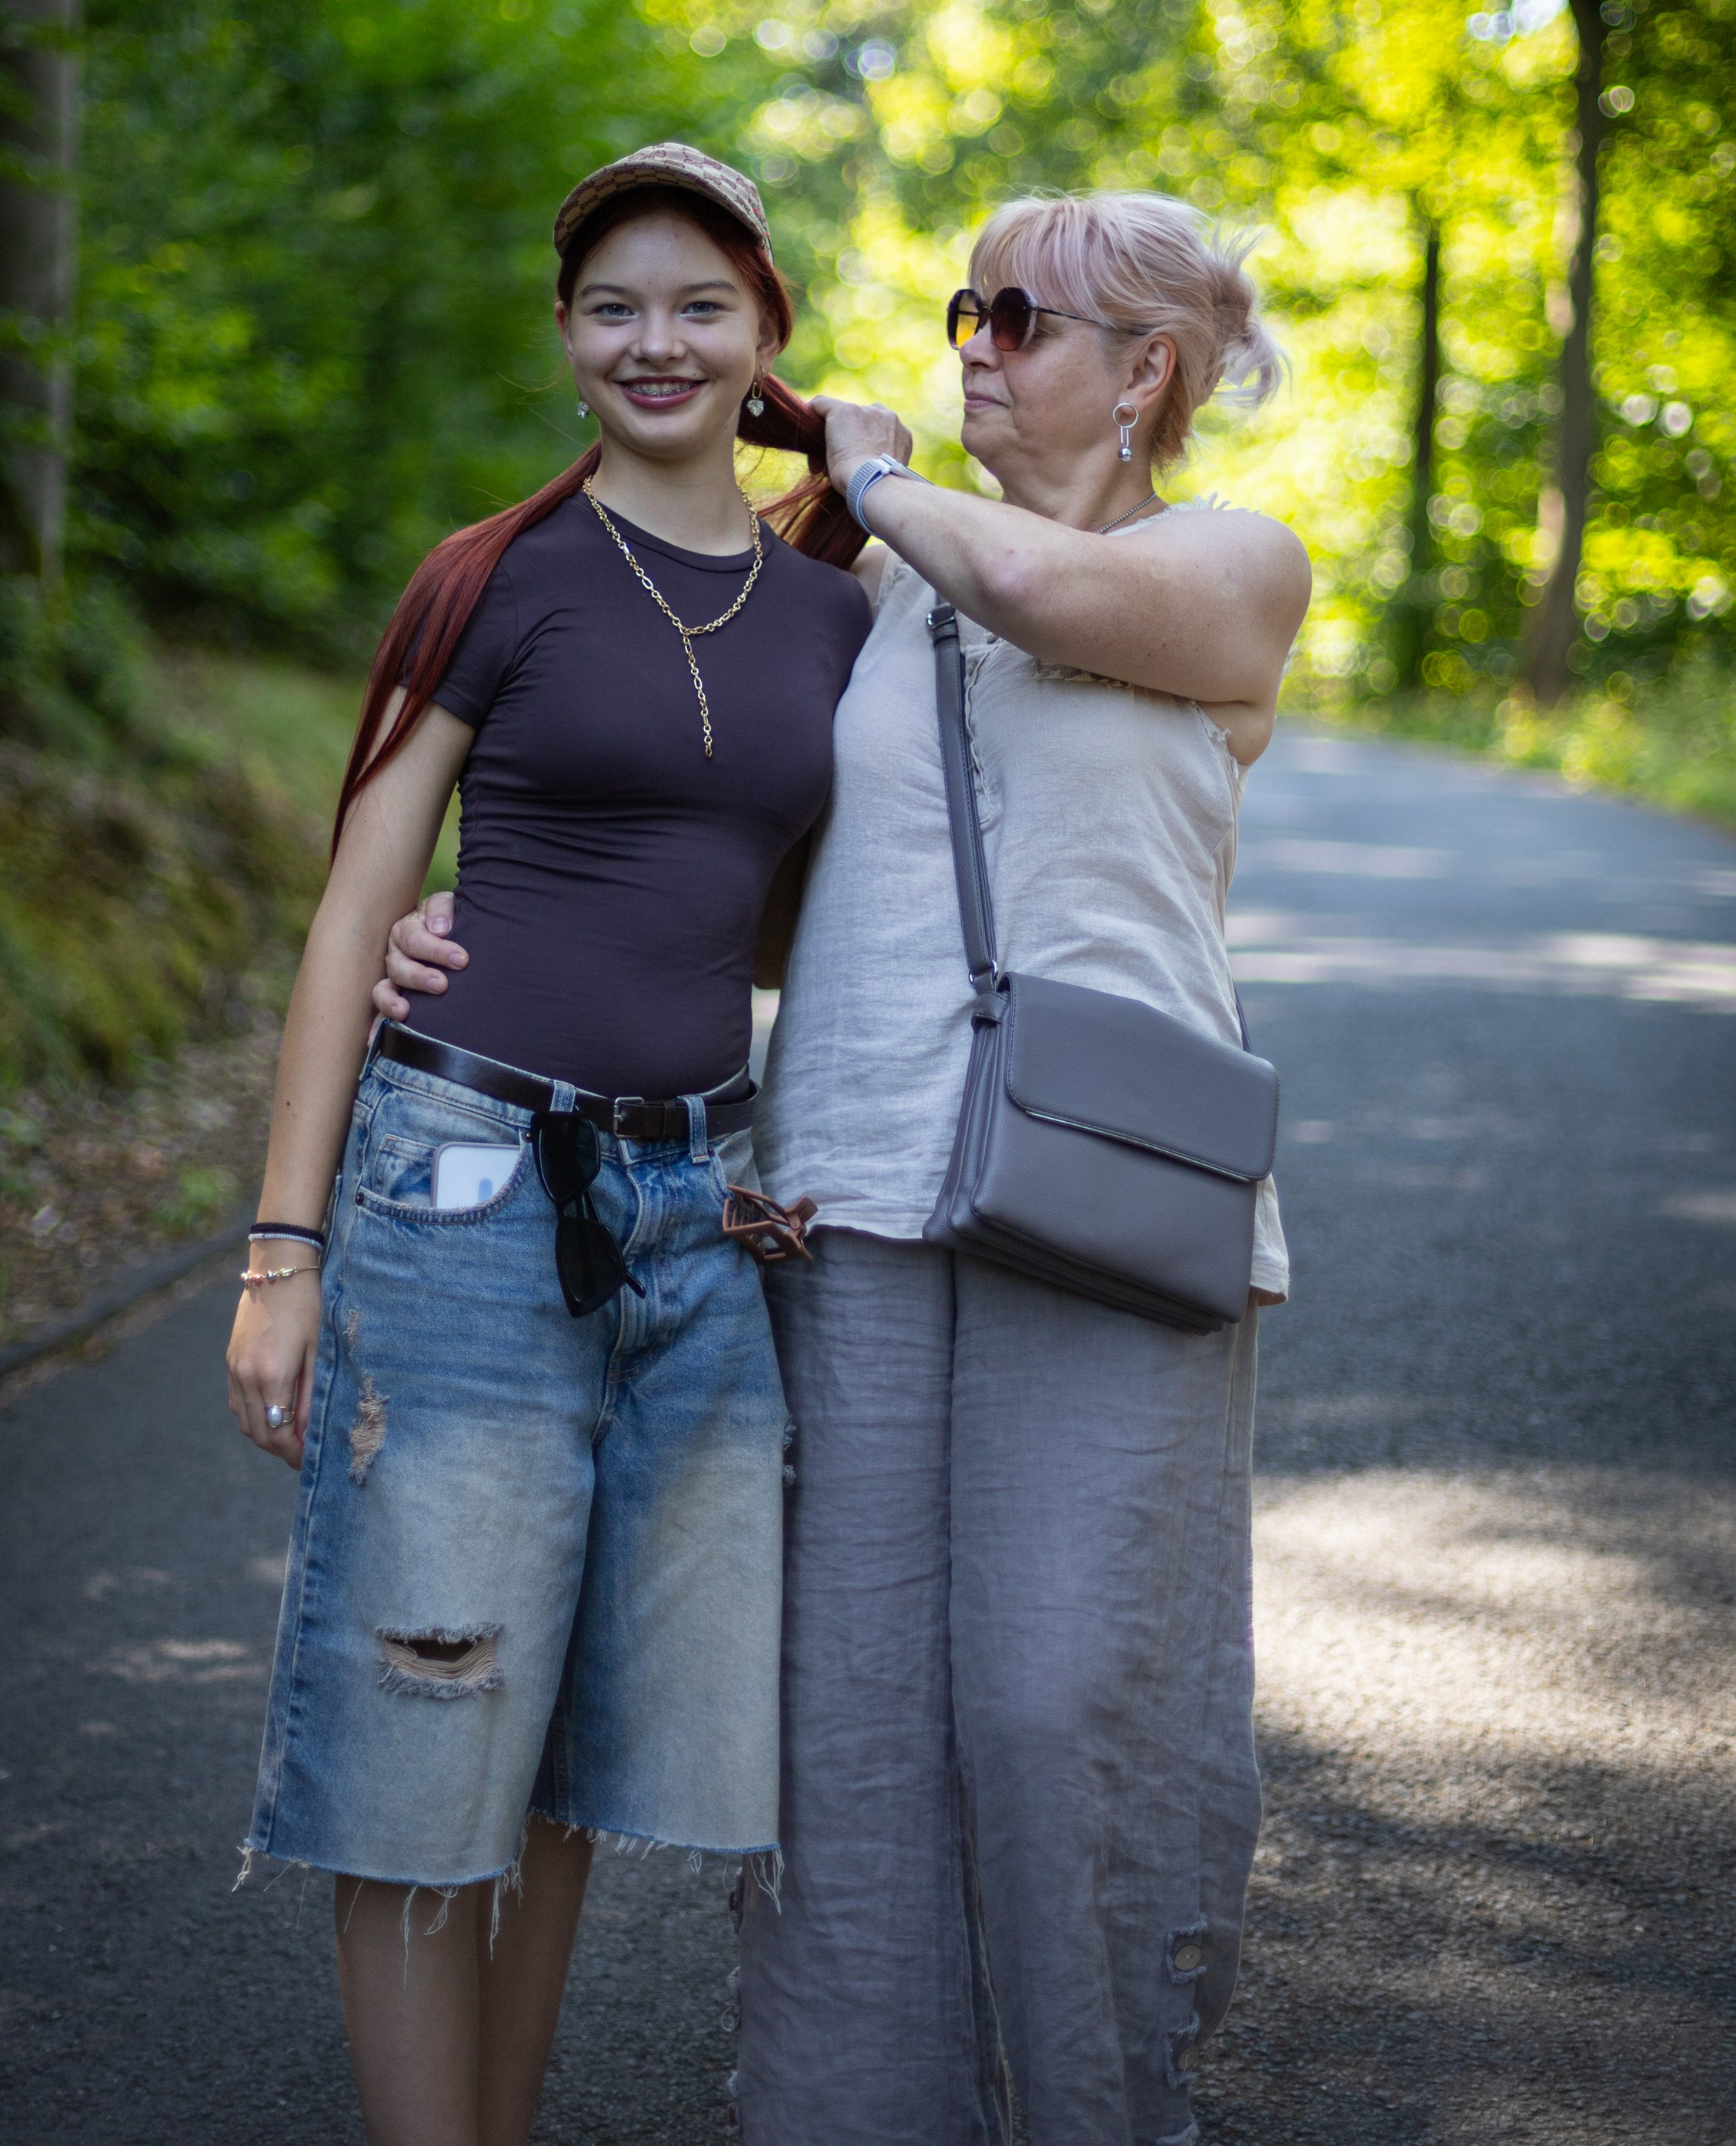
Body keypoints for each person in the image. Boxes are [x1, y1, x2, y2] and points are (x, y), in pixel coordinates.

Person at [383, 189, 1311, 2146]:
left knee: (1052, 1705)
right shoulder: (869, 590)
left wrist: (871, 476)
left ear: (1143, 369)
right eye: (965, 309)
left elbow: (1041, 592)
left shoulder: (1225, 564)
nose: (972, 343)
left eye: (1019, 318)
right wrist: (481, 933)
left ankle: (1092, 2110)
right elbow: (742, 875)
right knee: (848, 1726)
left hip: (1110, 1186)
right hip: (845, 1191)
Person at [227, 143, 870, 2146]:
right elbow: (353, 911)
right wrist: (280, 1250)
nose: (651, 341)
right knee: (426, 1723)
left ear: (764, 333)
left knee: (579, 1750)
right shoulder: (496, 574)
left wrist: (879, 471)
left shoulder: (833, 608)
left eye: (698, 305)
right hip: (467, 1189)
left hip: (696, 1212)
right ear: (567, 335)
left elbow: (784, 923)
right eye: (611, 307)